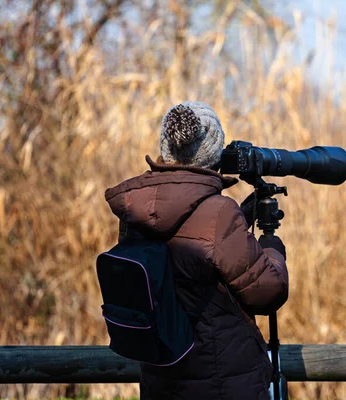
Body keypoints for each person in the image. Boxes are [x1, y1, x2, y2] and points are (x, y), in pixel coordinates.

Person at [104, 101, 289, 399]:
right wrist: (271, 248)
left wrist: (238, 220)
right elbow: (267, 292)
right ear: (214, 153)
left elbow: (181, 266)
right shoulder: (218, 214)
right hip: (224, 384)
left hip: (161, 381)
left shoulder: (136, 210)